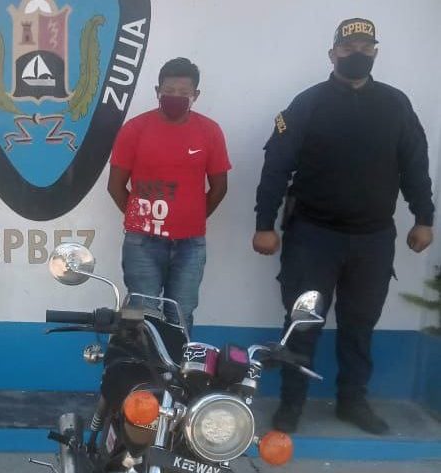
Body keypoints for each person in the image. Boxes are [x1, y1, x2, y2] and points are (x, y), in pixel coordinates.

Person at [253, 18, 434, 435]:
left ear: (375, 53)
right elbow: (276, 166)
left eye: (366, 48)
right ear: (332, 53)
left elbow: (415, 164)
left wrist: (424, 218)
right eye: (349, 48)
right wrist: (264, 224)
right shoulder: (308, 104)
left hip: (373, 238)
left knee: (360, 325)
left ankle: (352, 402)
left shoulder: (396, 104)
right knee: (302, 323)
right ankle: (291, 405)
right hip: (313, 236)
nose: (357, 54)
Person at [108, 57, 231, 331]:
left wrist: (189, 218)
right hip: (142, 241)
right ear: (157, 91)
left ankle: (176, 362)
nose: (175, 97)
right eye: (169, 91)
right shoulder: (135, 129)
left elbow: (219, 187)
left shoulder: (209, 131)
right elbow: (115, 186)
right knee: (142, 316)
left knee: (181, 317)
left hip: (190, 243)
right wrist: (142, 220)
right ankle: (141, 361)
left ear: (196, 95)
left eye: (184, 92)